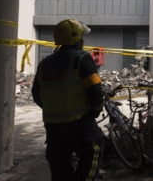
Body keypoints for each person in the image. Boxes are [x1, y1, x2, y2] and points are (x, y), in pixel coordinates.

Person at [32, 19, 104, 181]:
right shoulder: (81, 59)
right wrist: (95, 110)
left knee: (59, 168)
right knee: (94, 151)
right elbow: (95, 91)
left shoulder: (44, 63)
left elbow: (36, 93)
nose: (83, 42)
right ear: (77, 38)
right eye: (82, 38)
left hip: (53, 127)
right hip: (79, 123)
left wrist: (53, 109)